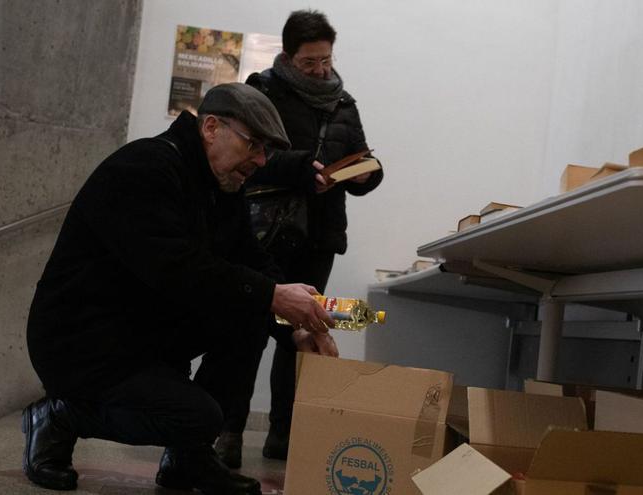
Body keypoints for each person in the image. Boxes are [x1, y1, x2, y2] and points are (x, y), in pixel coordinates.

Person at [22, 83, 338, 495]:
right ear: (211, 127)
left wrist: (292, 327)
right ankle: (61, 414)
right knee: (198, 417)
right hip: (83, 341)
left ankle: (187, 463)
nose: (260, 161)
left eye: (267, 152)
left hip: (139, 332)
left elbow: (252, 263)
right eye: (254, 145)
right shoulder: (143, 169)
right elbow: (175, 270)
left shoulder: (220, 184)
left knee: (250, 311)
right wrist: (274, 297)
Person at [209, 9, 384, 467]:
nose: (321, 69)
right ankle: (226, 432)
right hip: (264, 232)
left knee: (302, 332)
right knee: (244, 334)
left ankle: (284, 435)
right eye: (310, 62)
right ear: (288, 56)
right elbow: (251, 156)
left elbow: (361, 156)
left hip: (318, 236)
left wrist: (365, 175)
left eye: (326, 59)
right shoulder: (261, 90)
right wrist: (302, 169)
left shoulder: (344, 103)